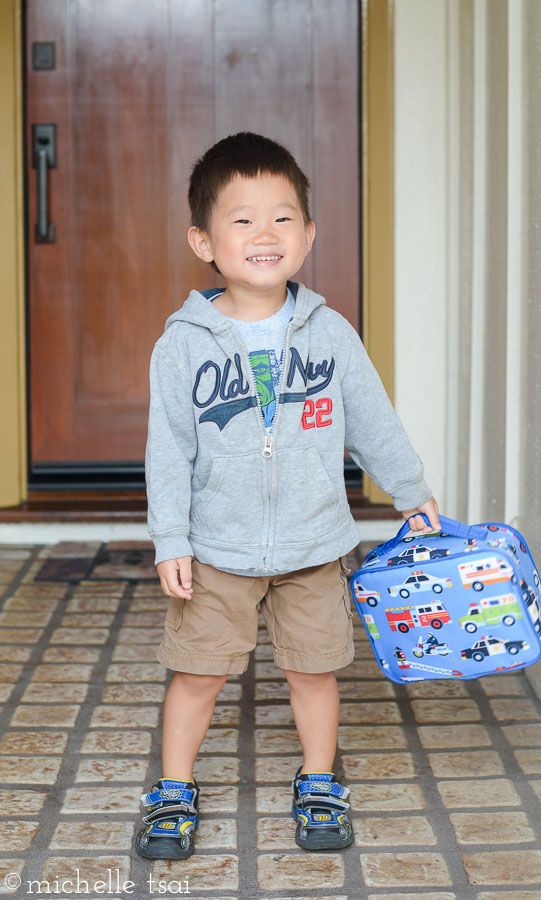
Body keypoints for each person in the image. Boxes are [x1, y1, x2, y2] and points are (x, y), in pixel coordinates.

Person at [136, 132, 441, 860]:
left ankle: (317, 777)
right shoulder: (183, 342)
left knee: (314, 668)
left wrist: (409, 491)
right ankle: (174, 788)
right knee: (199, 673)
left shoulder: (329, 333)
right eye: (241, 220)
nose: (263, 234)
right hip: (217, 548)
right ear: (203, 240)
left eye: (282, 218)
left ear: (308, 234)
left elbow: (372, 420)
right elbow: (168, 450)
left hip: (312, 543)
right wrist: (170, 538)